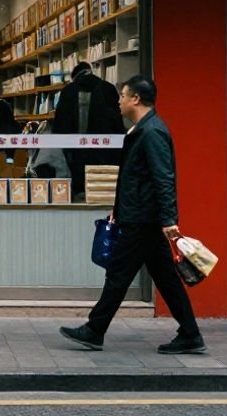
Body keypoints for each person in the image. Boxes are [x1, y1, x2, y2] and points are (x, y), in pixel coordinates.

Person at [60, 74, 205, 355]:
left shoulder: (152, 133)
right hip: (141, 216)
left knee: (118, 273)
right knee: (165, 278)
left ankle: (94, 330)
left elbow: (163, 178)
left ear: (135, 99)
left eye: (123, 96)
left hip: (144, 219)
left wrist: (169, 220)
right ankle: (190, 333)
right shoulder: (143, 129)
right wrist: (119, 209)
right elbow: (136, 177)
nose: (119, 101)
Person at [52, 62, 125, 201]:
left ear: (74, 76)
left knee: (78, 192)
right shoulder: (108, 89)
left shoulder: (68, 91)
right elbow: (117, 126)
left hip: (75, 155)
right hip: (104, 154)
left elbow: (59, 126)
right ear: (90, 71)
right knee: (102, 193)